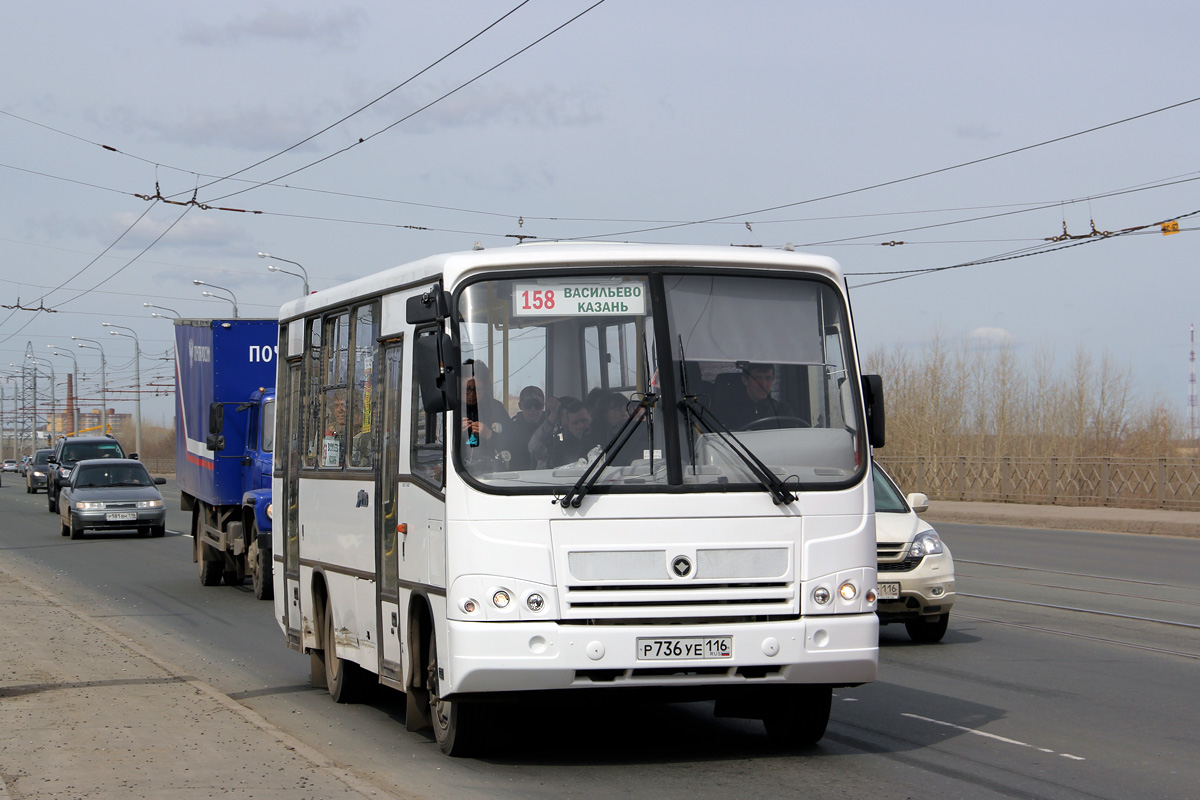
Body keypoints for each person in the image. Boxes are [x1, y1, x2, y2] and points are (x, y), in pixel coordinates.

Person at [460, 358, 510, 469]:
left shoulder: (496, 408)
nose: (471, 394)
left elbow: (512, 442)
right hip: (459, 473)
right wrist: (455, 432)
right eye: (466, 389)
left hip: (492, 474)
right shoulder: (451, 411)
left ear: (485, 388)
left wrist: (489, 434)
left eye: (478, 389)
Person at [719, 362, 796, 430]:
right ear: (745, 380)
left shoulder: (783, 412)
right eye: (758, 378)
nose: (763, 384)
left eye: (768, 378)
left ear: (772, 380)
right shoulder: (728, 411)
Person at [528, 396, 592, 468]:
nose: (580, 425)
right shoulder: (555, 438)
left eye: (583, 420)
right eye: (570, 412)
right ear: (559, 416)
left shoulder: (594, 435)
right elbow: (533, 448)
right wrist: (552, 417)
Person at [507, 385, 546, 471]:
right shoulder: (510, 429)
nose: (533, 409)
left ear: (543, 406)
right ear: (520, 406)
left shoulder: (552, 427)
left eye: (537, 405)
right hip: (519, 479)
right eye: (528, 405)